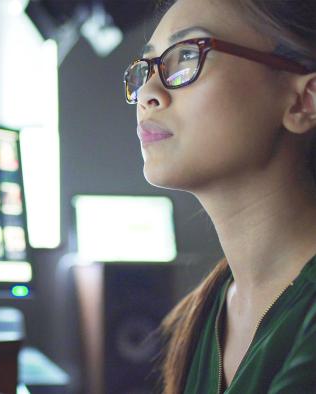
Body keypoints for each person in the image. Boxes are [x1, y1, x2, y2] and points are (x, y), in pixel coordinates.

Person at [123, 0, 316, 392]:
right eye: (145, 69)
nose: (148, 92)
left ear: (302, 101)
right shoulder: (202, 313)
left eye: (186, 57)